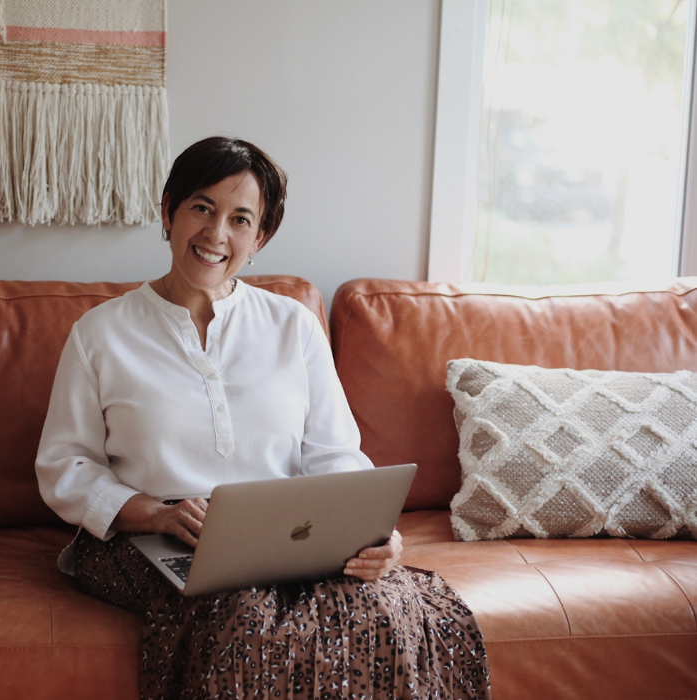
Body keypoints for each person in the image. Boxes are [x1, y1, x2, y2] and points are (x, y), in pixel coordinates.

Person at [35, 136, 490, 699]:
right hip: (145, 538)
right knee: (244, 613)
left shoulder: (292, 326)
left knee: (381, 605)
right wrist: (153, 513)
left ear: (260, 237)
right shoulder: (101, 333)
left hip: (284, 535)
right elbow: (66, 465)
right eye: (201, 207)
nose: (216, 234)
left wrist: (373, 535)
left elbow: (334, 452)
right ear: (168, 210)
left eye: (240, 219)